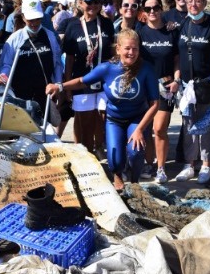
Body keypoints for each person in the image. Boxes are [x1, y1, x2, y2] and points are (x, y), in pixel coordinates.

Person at [46, 29, 158, 190]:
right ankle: (118, 179)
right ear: (118, 49)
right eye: (127, 48)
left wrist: (140, 129)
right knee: (115, 160)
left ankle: (135, 184)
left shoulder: (146, 69)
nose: (131, 52)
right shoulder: (107, 68)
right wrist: (60, 86)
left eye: (135, 48)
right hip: (115, 119)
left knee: (135, 152)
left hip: (137, 118)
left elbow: (155, 103)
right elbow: (82, 81)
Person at [173, 0, 210, 184]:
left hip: (207, 84)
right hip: (187, 86)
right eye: (190, 2)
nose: (193, 5)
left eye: (197, 1)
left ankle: (206, 164)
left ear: (204, 3)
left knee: (206, 127)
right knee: (188, 125)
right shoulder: (184, 24)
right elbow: (177, 54)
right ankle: (189, 164)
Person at [63, 0, 115, 157]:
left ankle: (99, 146)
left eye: (97, 1)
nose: (93, 5)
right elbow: (70, 58)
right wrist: (67, 85)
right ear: (80, 2)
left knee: (102, 118)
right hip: (82, 80)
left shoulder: (107, 24)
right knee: (84, 120)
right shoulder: (72, 26)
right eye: (89, 1)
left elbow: (113, 53)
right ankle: (86, 153)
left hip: (105, 80)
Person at [0, 0, 63, 124]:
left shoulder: (49, 36)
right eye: (30, 19)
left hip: (44, 95)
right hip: (20, 97)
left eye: (37, 19)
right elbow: (6, 64)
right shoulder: (14, 39)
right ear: (23, 17)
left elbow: (57, 63)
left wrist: (58, 85)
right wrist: (4, 76)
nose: (34, 23)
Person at [138, 0, 179, 183]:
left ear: (161, 9)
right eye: (148, 9)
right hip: (144, 86)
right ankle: (148, 163)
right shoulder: (140, 32)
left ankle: (161, 168)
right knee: (146, 128)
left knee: (160, 128)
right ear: (143, 12)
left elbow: (177, 59)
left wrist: (177, 79)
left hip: (165, 85)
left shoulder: (172, 31)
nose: (152, 11)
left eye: (155, 7)